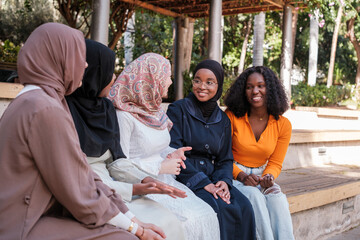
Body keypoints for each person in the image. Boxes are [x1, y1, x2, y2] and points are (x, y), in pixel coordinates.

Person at [0, 23, 164, 240]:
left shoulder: (36, 99)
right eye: (77, 56)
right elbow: (79, 191)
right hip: (21, 222)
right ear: (58, 59)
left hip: (31, 212)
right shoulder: (44, 108)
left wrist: (130, 217)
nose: (85, 64)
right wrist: (135, 229)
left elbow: (82, 173)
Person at [66, 39, 186, 240]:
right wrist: (134, 188)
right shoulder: (64, 111)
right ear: (94, 73)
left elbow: (117, 161)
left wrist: (144, 179)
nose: (114, 78)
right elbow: (76, 178)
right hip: (89, 195)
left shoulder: (105, 109)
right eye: (109, 70)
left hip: (115, 189)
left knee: (168, 223)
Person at [107, 53, 221, 240]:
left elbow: (156, 147)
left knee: (207, 213)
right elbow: (119, 167)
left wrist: (172, 154)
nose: (169, 81)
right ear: (151, 79)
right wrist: (160, 167)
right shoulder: (124, 116)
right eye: (166, 76)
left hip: (167, 181)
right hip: (143, 187)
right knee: (185, 222)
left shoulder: (154, 111)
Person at [166, 59, 256, 240]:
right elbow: (174, 152)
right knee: (216, 209)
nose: (202, 87)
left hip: (214, 176)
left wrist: (224, 181)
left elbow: (225, 159)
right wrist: (203, 183)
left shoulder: (223, 119)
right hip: (186, 175)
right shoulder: (178, 109)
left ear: (219, 85)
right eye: (197, 80)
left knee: (244, 206)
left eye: (209, 82)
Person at [224, 66, 294, 240]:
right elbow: (222, 156)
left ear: (270, 88)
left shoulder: (283, 124)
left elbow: (276, 163)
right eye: (249, 87)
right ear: (243, 91)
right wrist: (241, 176)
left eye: (261, 85)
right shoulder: (231, 116)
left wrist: (268, 177)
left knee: (278, 201)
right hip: (233, 176)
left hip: (262, 176)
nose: (255, 91)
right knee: (255, 197)